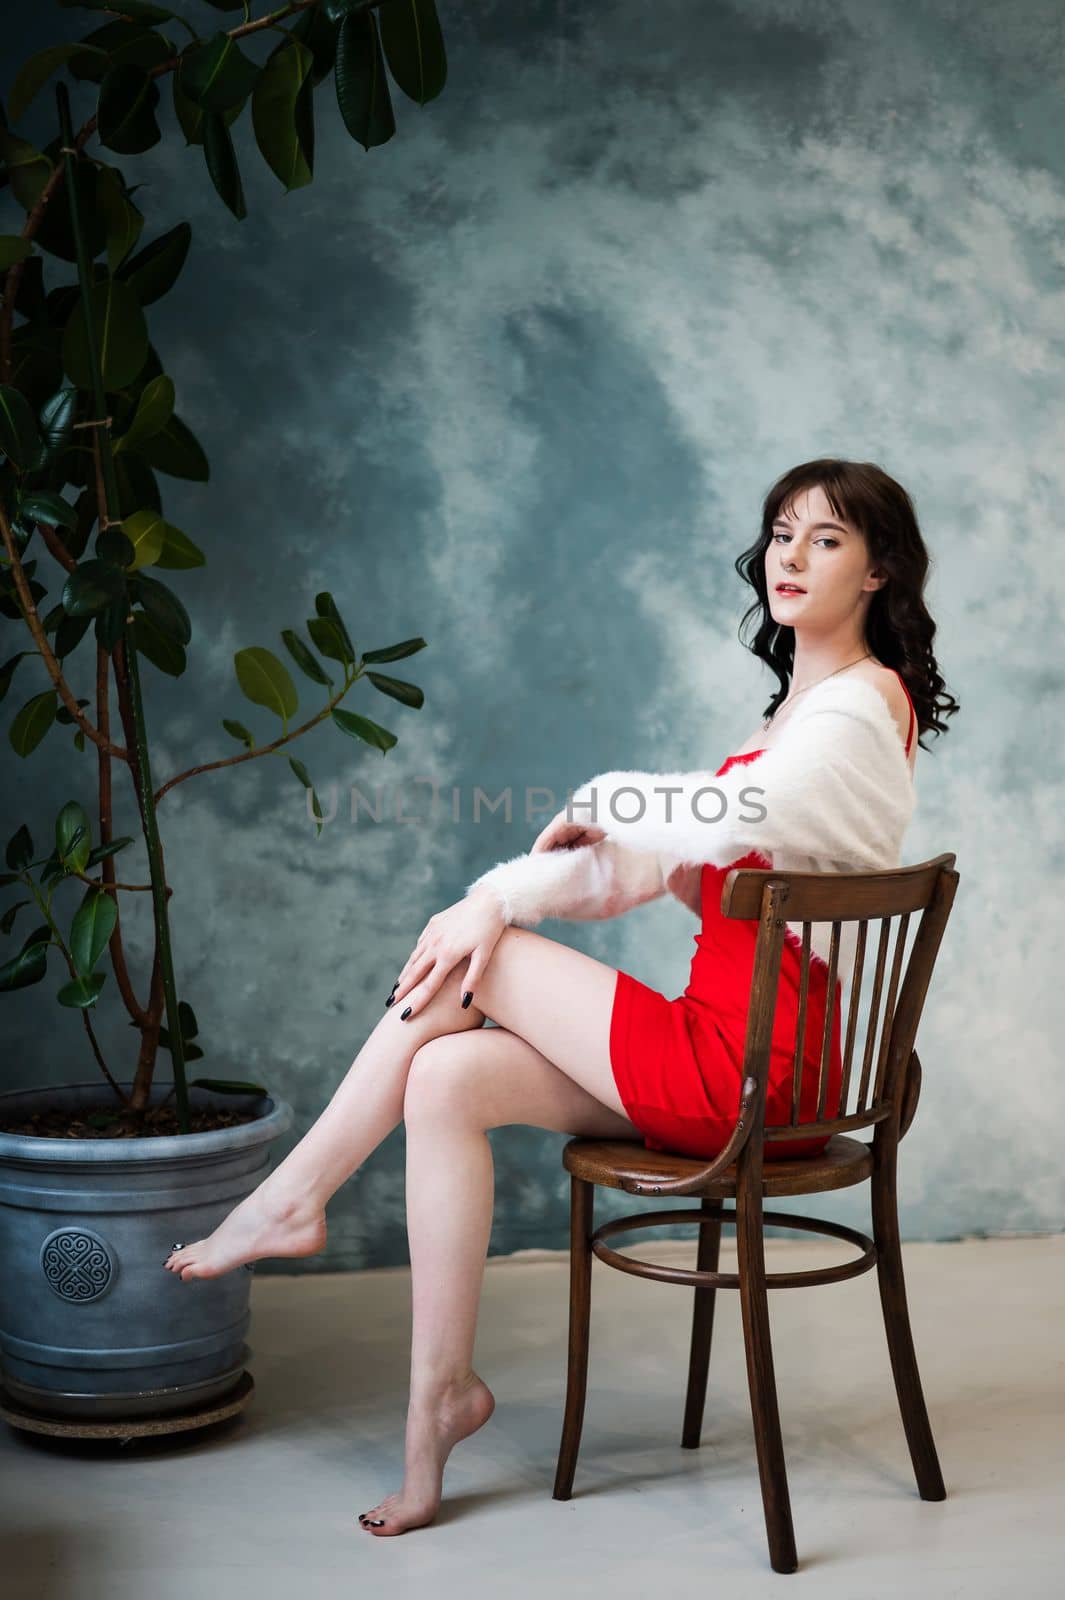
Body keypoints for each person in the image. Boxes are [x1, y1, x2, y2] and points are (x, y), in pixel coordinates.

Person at [162, 458, 958, 1537]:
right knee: (446, 1073)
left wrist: (526, 869)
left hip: (756, 1071)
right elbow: (628, 864)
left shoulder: (860, 713)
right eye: (781, 533)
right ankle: (439, 1401)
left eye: (826, 539)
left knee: (482, 957)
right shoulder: (800, 717)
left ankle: (294, 1195)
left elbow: (723, 821)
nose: (791, 556)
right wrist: (509, 890)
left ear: (877, 572)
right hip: (724, 1054)